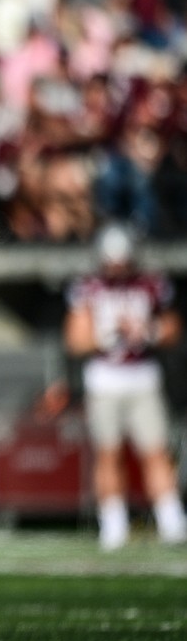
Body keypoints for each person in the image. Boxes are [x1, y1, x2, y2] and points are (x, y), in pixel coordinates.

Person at [64, 223, 187, 551]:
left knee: (156, 450)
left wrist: (150, 331)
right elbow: (75, 340)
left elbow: (173, 329)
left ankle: (171, 519)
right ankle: (113, 522)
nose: (117, 267)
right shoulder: (88, 287)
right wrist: (104, 336)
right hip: (105, 378)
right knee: (108, 452)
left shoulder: (151, 284)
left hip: (142, 375)